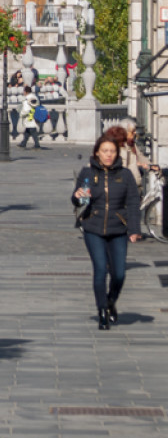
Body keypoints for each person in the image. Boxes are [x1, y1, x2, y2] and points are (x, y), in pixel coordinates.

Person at [73, 136, 143, 329]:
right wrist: (78, 197)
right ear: (97, 152)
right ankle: (102, 310)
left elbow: (133, 204)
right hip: (93, 228)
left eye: (112, 151)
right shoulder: (87, 173)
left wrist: (135, 230)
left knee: (119, 274)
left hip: (117, 229)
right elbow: (80, 200)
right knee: (100, 269)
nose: (108, 155)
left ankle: (111, 300)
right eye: (105, 151)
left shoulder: (125, 174)